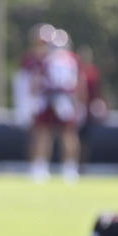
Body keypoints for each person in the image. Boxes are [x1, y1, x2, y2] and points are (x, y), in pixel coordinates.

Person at [19, 24, 86, 183]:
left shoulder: (45, 58)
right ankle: (67, 169)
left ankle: (43, 168)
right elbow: (79, 83)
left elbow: (35, 82)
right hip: (62, 97)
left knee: (49, 134)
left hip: (52, 97)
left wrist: (31, 100)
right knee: (62, 134)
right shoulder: (70, 59)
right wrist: (79, 102)